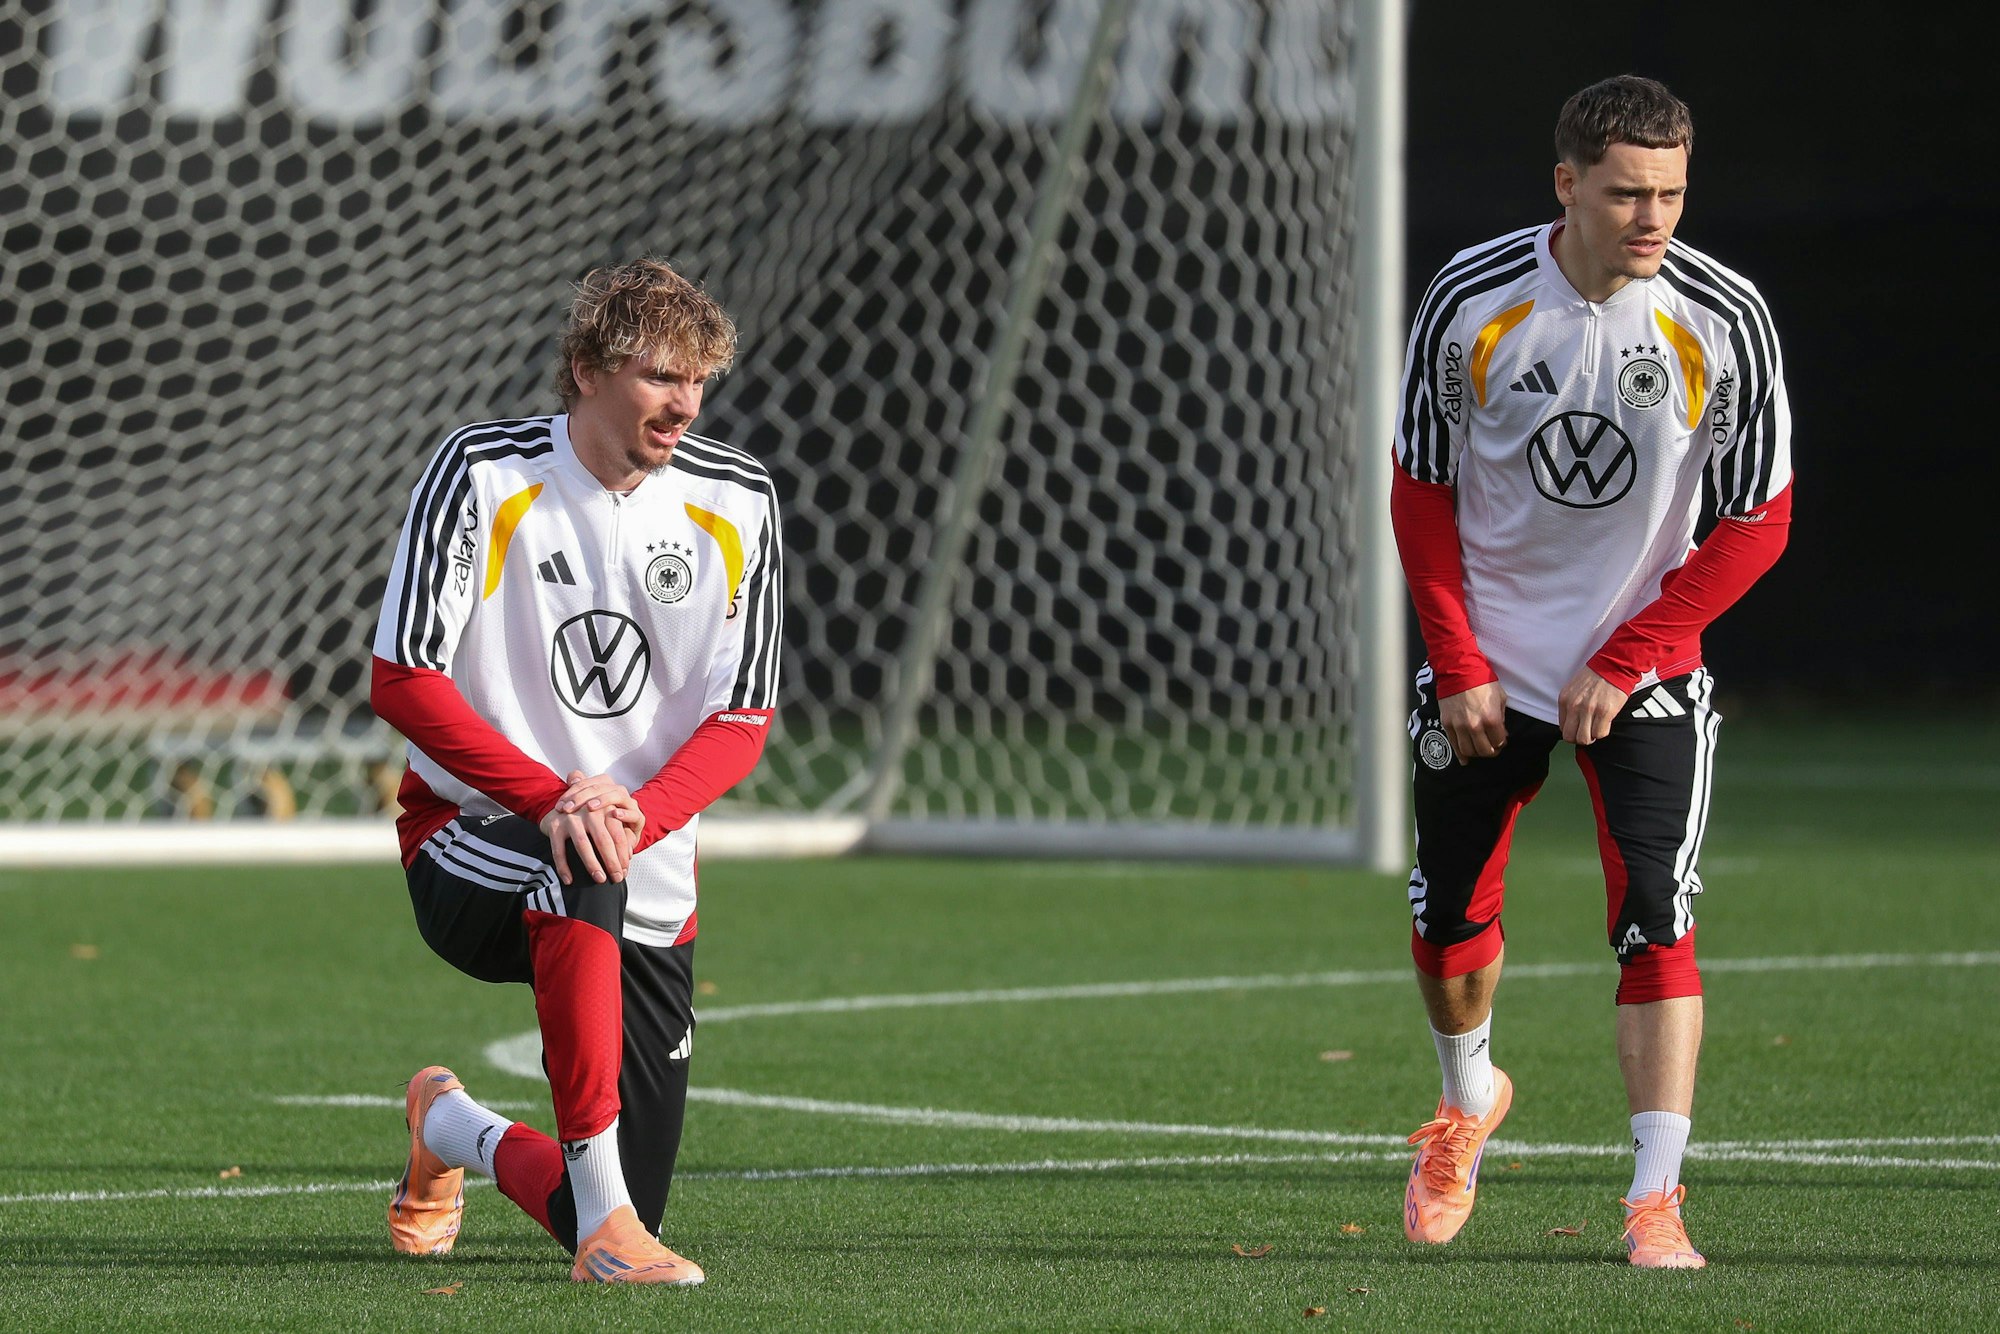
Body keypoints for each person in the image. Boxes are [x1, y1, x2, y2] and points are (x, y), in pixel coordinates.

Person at [1388, 75, 1791, 1269]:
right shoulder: (1471, 297)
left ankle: (1652, 1199)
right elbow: (1420, 488)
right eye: (1624, 192)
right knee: (1449, 920)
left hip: (1645, 667)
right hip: (1488, 668)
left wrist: (1630, 654)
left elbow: (1756, 519)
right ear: (1565, 183)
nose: (1651, 216)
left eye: (1669, 190)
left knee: (1655, 918)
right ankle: (1464, 1104)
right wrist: (1457, 658)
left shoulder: (1722, 314)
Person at [369, 258, 784, 1285]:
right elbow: (403, 678)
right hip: (468, 842)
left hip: (646, 861)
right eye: (659, 377)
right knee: (580, 859)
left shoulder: (739, 499)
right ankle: (607, 1233)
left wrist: (632, 811)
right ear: (587, 368)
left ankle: (451, 1124)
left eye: (698, 382)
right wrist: (555, 798)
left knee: (618, 1185)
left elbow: (744, 718)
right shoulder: (481, 473)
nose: (683, 404)